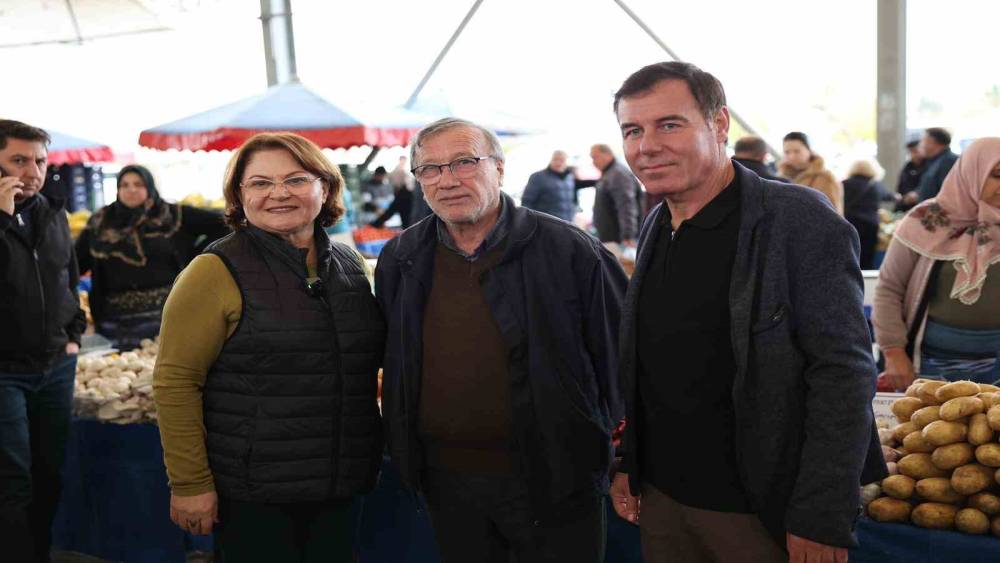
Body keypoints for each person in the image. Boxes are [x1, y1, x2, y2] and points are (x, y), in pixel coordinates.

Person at [607, 62, 885, 563]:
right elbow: (654, 362)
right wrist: (632, 458)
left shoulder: (796, 219)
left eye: (669, 124)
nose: (647, 146)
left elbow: (843, 374)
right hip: (665, 498)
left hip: (758, 510)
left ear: (719, 124)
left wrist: (822, 511)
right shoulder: (658, 224)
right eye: (633, 130)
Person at [375, 117, 627, 563]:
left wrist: (626, 461)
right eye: (430, 169)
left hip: (556, 480)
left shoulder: (570, 250)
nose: (447, 180)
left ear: (500, 168)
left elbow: (622, 364)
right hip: (447, 483)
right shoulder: (402, 257)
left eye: (464, 162)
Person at [152, 133, 385, 563]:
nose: (279, 193)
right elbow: (175, 382)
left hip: (341, 482)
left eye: (296, 179)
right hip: (255, 492)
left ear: (325, 188)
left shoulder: (351, 266)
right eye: (260, 183)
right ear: (240, 196)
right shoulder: (213, 271)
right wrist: (190, 483)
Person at [0, 119, 86, 562]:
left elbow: (68, 279)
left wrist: (73, 335)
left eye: (40, 161)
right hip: (4, 373)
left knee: (50, 474)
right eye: (19, 160)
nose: (33, 172)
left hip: (55, 365)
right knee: (12, 480)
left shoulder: (53, 212)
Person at [873, 137, 1000, 389]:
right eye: (997, 175)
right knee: (933, 417)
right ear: (972, 172)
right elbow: (889, 289)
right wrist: (894, 352)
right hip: (930, 364)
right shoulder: (925, 220)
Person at [75, 165, 229, 349]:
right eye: (124, 185)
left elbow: (225, 224)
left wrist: (198, 260)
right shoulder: (100, 222)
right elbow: (75, 264)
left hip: (170, 315)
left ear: (149, 187)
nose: (131, 189)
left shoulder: (172, 215)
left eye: (138, 184)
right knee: (121, 366)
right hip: (114, 322)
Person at [779, 131, 844, 215]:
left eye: (797, 151)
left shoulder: (825, 178)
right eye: (787, 152)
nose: (792, 156)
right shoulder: (781, 178)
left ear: (809, 150)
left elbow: (832, 215)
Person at [589, 143, 643, 244]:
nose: (593, 162)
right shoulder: (609, 172)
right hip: (610, 237)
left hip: (618, 239)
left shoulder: (617, 174)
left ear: (608, 154)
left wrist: (628, 235)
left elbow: (626, 206)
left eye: (595, 157)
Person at [842, 160, 884, 270]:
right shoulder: (875, 184)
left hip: (850, 222)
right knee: (867, 259)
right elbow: (888, 196)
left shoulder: (844, 184)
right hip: (870, 225)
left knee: (851, 256)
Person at [905, 127, 959, 205]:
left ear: (932, 142)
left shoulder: (949, 161)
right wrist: (918, 193)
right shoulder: (932, 161)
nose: (920, 145)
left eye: (923, 141)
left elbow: (947, 193)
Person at [520, 150, 577, 221]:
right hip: (546, 223)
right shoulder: (538, 177)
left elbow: (572, 200)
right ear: (551, 160)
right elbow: (527, 201)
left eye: (562, 160)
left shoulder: (569, 177)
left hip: (568, 222)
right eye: (555, 159)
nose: (558, 163)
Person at [895, 139, 926, 212]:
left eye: (915, 151)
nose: (913, 154)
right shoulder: (907, 167)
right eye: (910, 152)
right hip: (907, 206)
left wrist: (917, 193)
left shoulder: (930, 166)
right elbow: (901, 186)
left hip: (923, 203)